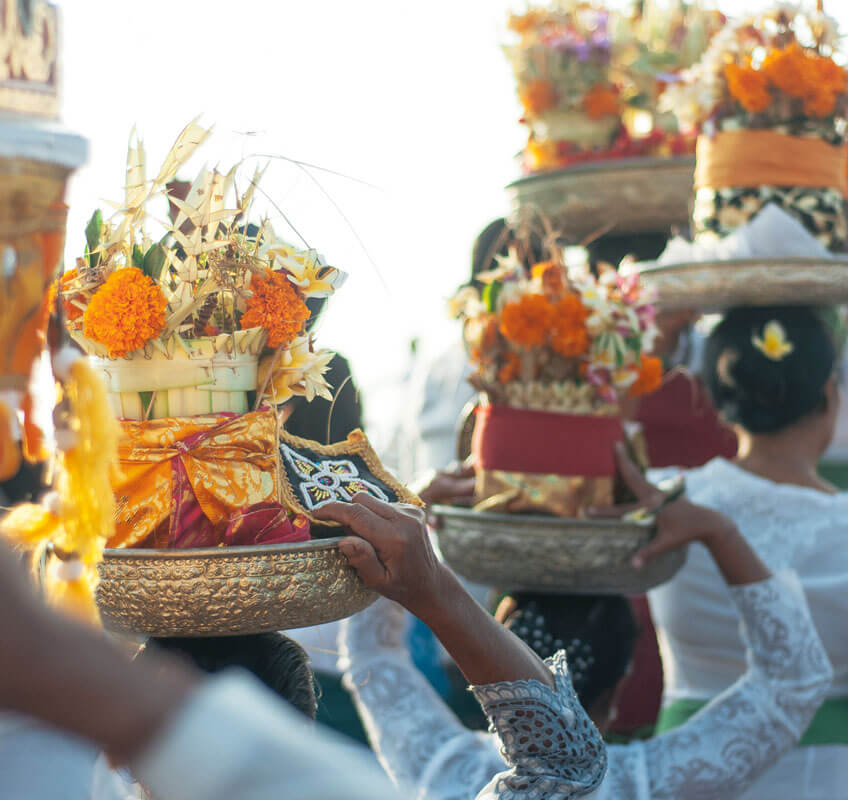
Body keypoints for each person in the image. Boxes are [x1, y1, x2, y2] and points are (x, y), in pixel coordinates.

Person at [335, 443, 832, 800]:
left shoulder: (441, 765)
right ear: (617, 696)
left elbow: (372, 654)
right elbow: (793, 683)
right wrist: (720, 533)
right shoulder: (655, 782)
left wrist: (410, 505)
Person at [647, 304, 848, 798]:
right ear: (829, 394)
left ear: (717, 400)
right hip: (826, 777)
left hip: (681, 774)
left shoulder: (662, 500)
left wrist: (649, 355)